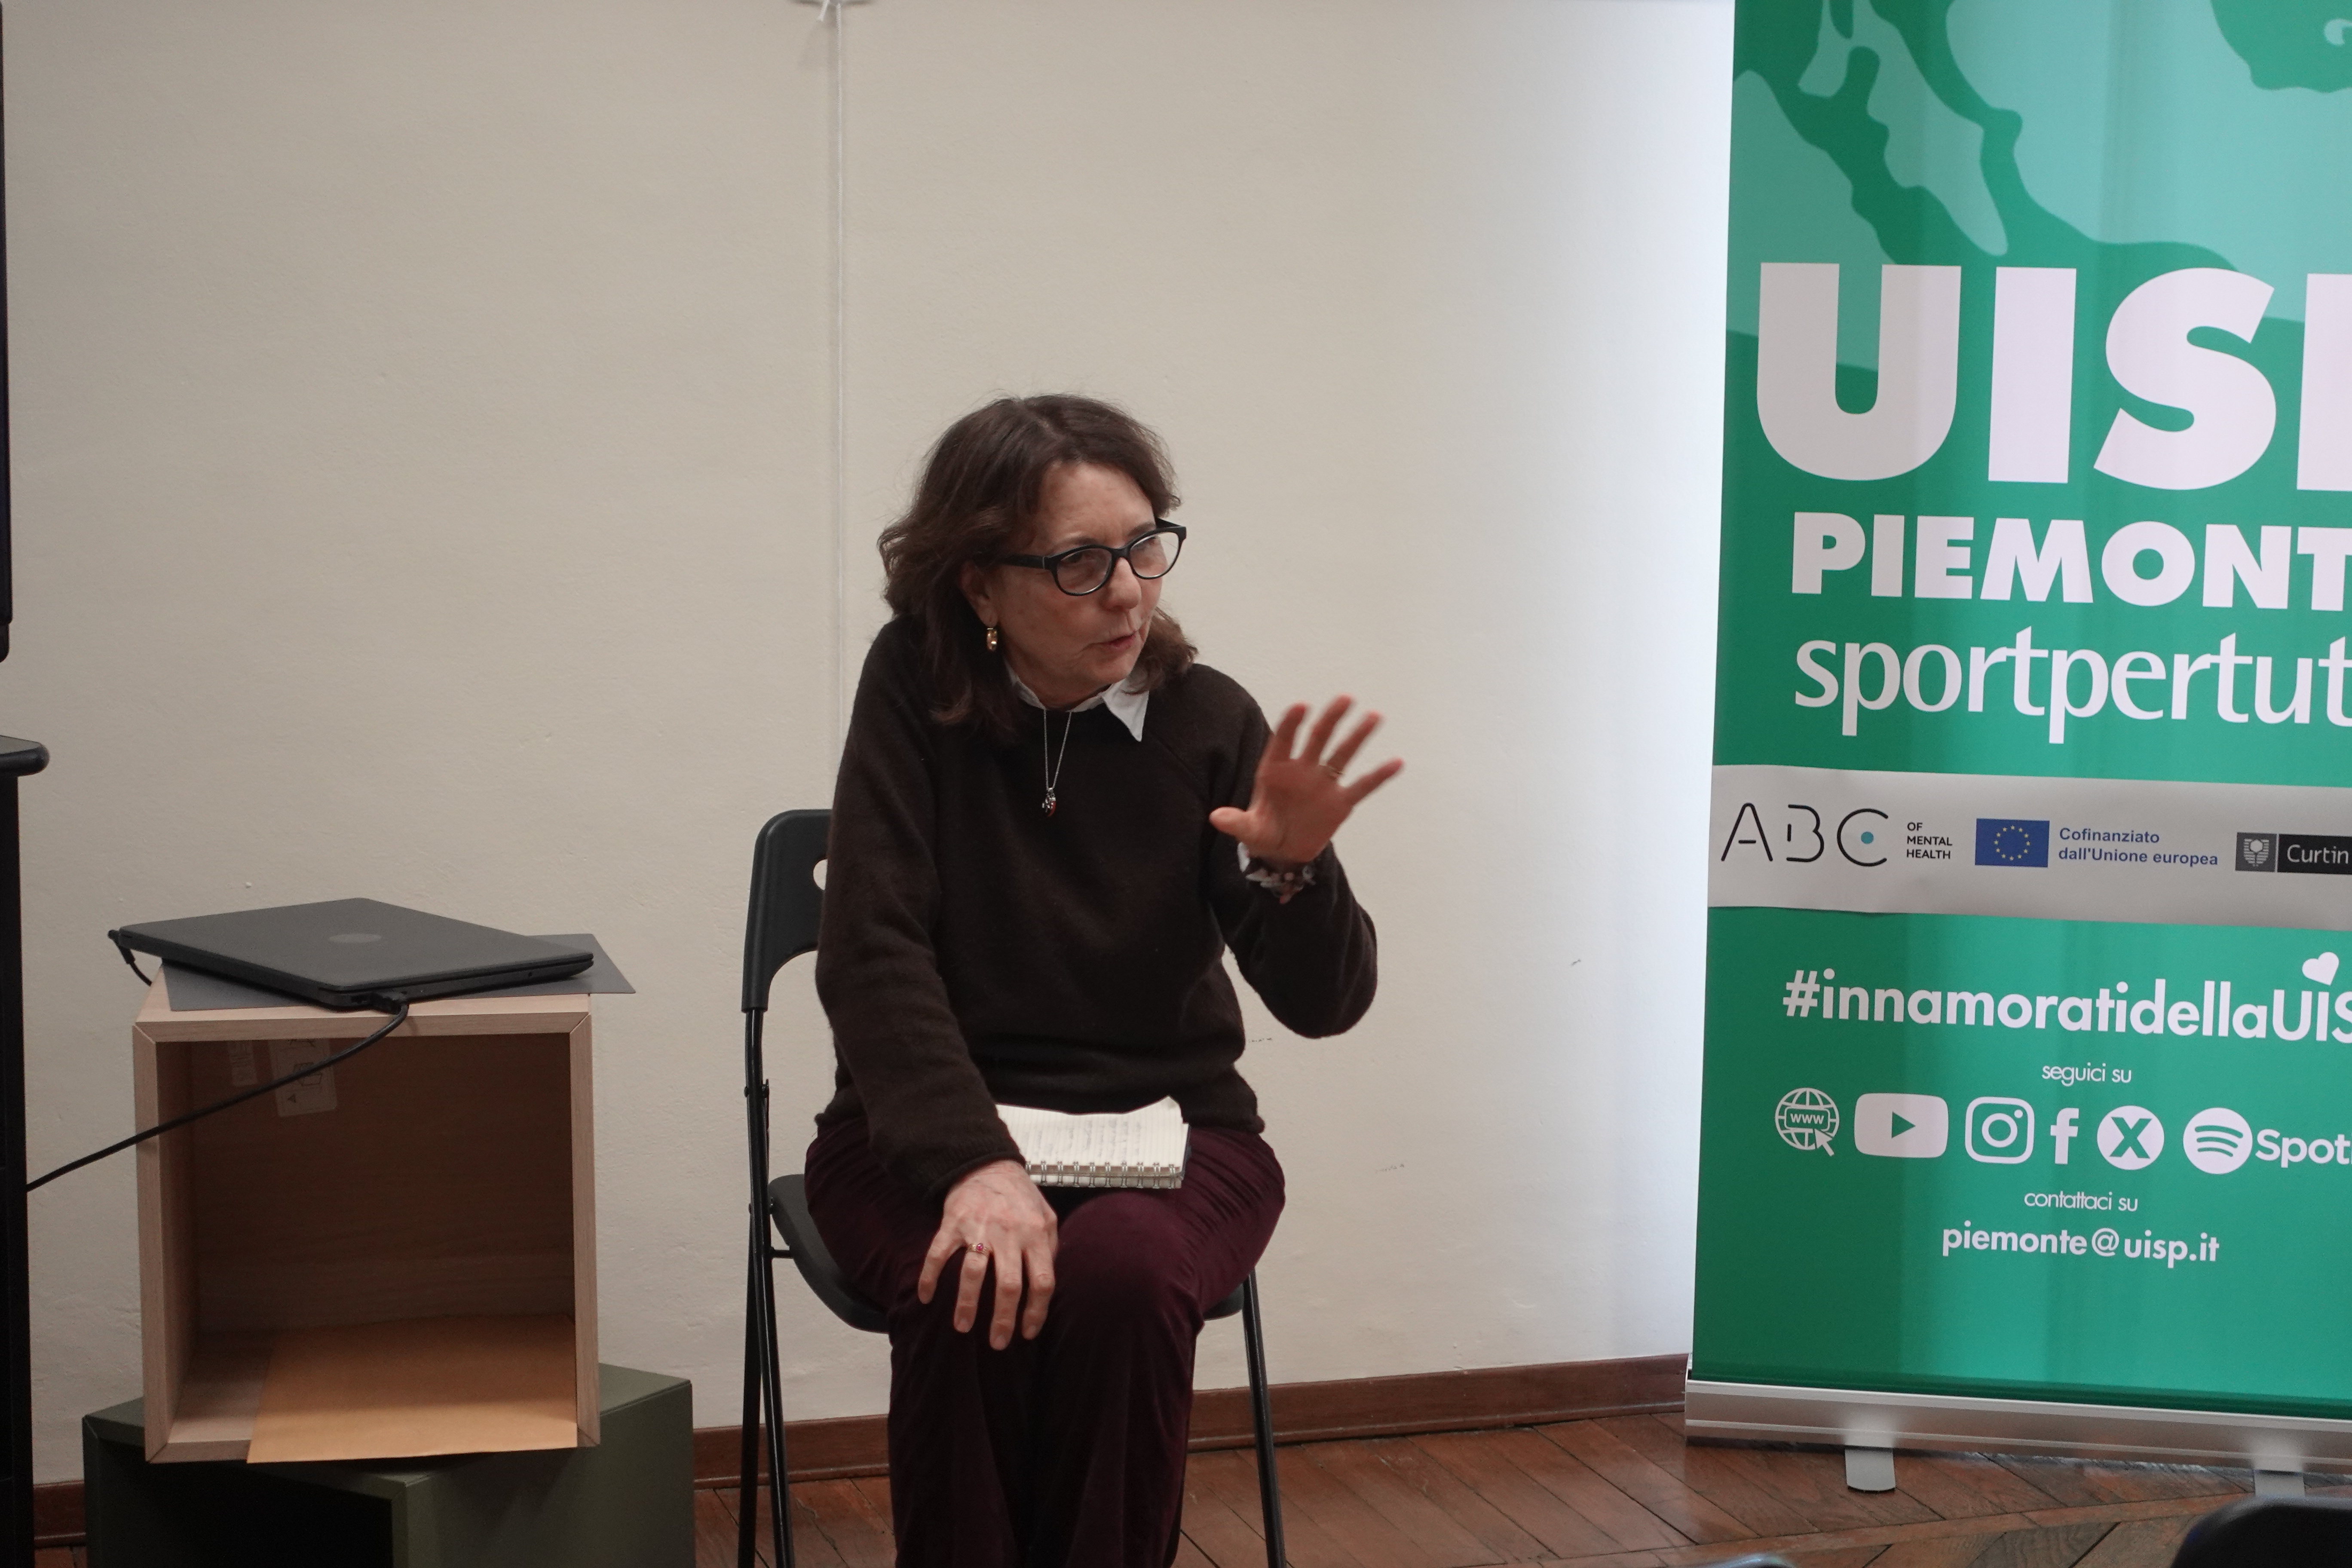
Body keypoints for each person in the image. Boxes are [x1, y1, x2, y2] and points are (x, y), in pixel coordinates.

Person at [804, 393, 1399, 1567]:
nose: (1128, 592)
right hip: (928, 1133)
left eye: (1145, 547)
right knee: (970, 1272)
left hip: (1174, 1134)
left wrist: (1295, 871)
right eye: (1080, 563)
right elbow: (873, 950)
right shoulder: (915, 691)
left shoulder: (1209, 721)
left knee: (1124, 1274)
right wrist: (975, 1165)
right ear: (981, 585)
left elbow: (1326, 1006)